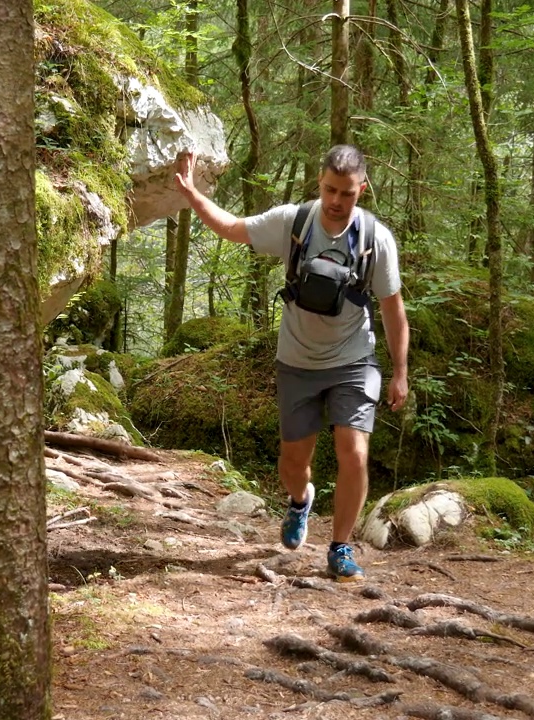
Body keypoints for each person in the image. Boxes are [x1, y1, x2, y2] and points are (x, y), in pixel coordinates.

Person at [173, 145, 410, 581]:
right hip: (297, 361)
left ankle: (340, 547)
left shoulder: (377, 240)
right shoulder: (293, 222)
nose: (337, 201)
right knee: (292, 464)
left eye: (348, 193)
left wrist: (399, 372)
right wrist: (191, 194)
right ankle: (301, 501)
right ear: (319, 182)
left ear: (364, 189)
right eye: (330, 190)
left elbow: (393, 309)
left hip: (354, 359)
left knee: (354, 452)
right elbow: (231, 227)